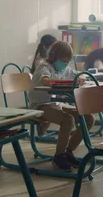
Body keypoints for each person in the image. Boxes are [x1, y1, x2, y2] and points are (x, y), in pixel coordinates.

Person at [28, 41, 95, 171]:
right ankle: (59, 156)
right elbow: (45, 80)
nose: (64, 63)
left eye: (67, 61)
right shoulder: (45, 67)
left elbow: (76, 75)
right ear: (54, 56)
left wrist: (81, 78)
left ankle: (68, 151)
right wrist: (68, 82)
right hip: (40, 105)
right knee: (68, 120)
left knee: (89, 118)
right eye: (62, 60)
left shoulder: (63, 68)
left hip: (56, 104)